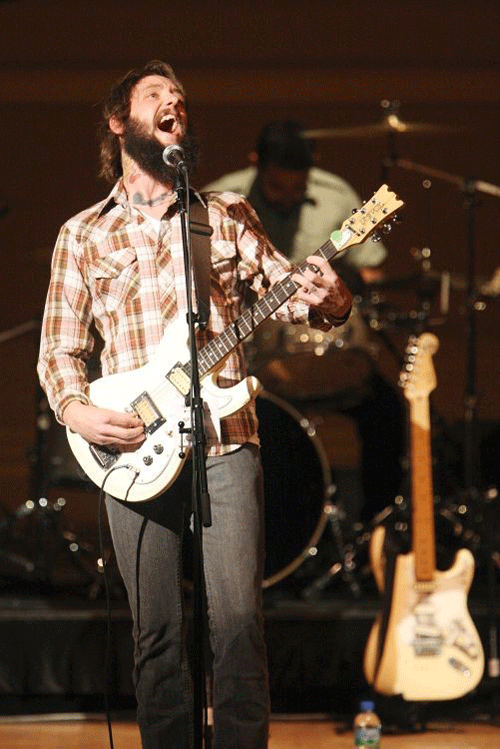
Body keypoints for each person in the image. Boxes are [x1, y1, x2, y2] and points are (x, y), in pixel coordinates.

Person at [37, 61, 352, 749]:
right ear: (119, 121)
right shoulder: (83, 234)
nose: (172, 101)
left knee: (239, 621)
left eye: (178, 96)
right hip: (132, 443)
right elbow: (58, 352)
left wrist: (331, 299)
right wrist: (78, 411)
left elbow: (290, 291)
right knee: (156, 631)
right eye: (154, 95)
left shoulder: (225, 216)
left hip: (226, 438)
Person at [204, 121, 405, 526]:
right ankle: (279, 542)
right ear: (256, 165)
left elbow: (373, 277)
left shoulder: (336, 197)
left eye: (298, 189)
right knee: (261, 439)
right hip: (255, 356)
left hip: (331, 342)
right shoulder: (222, 201)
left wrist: (346, 299)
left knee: (388, 414)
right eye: (277, 189)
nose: (288, 199)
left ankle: (377, 536)